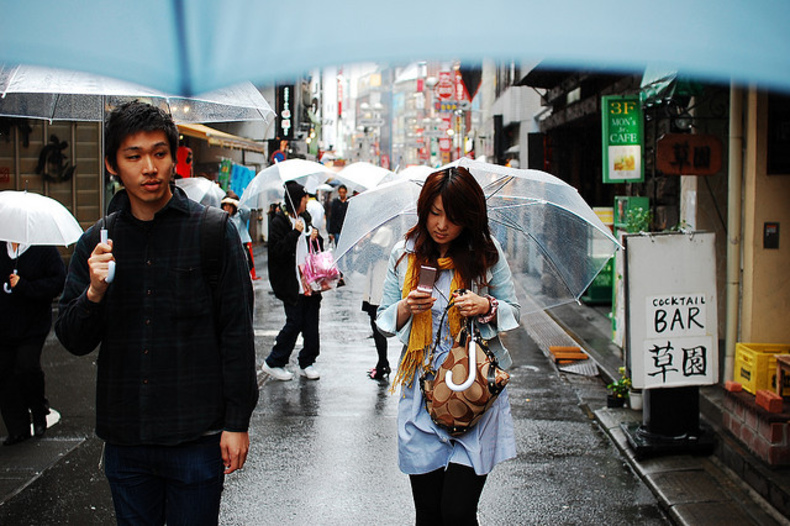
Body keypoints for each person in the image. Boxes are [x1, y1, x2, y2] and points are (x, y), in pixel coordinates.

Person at [55, 101, 258, 526]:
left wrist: (237, 422)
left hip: (196, 438)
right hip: (127, 440)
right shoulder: (98, 242)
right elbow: (73, 338)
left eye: (159, 153)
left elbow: (236, 334)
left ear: (173, 157)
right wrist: (94, 292)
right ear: (113, 164)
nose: (149, 167)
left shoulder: (213, 233)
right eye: (134, 156)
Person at [376, 166, 521, 525]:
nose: (441, 225)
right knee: (428, 513)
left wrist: (487, 306)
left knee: (456, 512)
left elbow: (513, 311)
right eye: (435, 213)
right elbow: (383, 319)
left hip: (474, 390)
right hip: (422, 393)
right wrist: (406, 307)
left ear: (469, 219)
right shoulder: (405, 253)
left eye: (453, 217)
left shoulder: (486, 253)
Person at [0, 242, 65, 445]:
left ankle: (38, 410)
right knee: (4, 373)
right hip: (4, 326)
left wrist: (25, 286)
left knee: (26, 365)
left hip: (33, 325)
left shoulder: (42, 249)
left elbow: (58, 281)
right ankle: (17, 428)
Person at [262, 181, 323, 381]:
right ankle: (274, 361)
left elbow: (316, 246)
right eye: (304, 198)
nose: (306, 201)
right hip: (291, 282)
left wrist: (315, 236)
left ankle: (307, 361)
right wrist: (295, 233)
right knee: (295, 322)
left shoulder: (305, 217)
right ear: (296, 200)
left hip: (310, 281)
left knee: (311, 323)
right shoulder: (279, 221)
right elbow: (277, 251)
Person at [362, 226, 393, 380]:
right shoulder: (389, 231)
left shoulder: (385, 231)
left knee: (377, 326)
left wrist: (367, 240)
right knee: (376, 325)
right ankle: (382, 362)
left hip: (378, 284)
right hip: (378, 280)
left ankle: (382, 364)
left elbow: (370, 253)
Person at [221, 190, 256, 276]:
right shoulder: (222, 218)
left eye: (229, 205)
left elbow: (247, 211)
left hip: (242, 247)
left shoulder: (240, 216)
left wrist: (237, 202)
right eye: (225, 205)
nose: (226, 208)